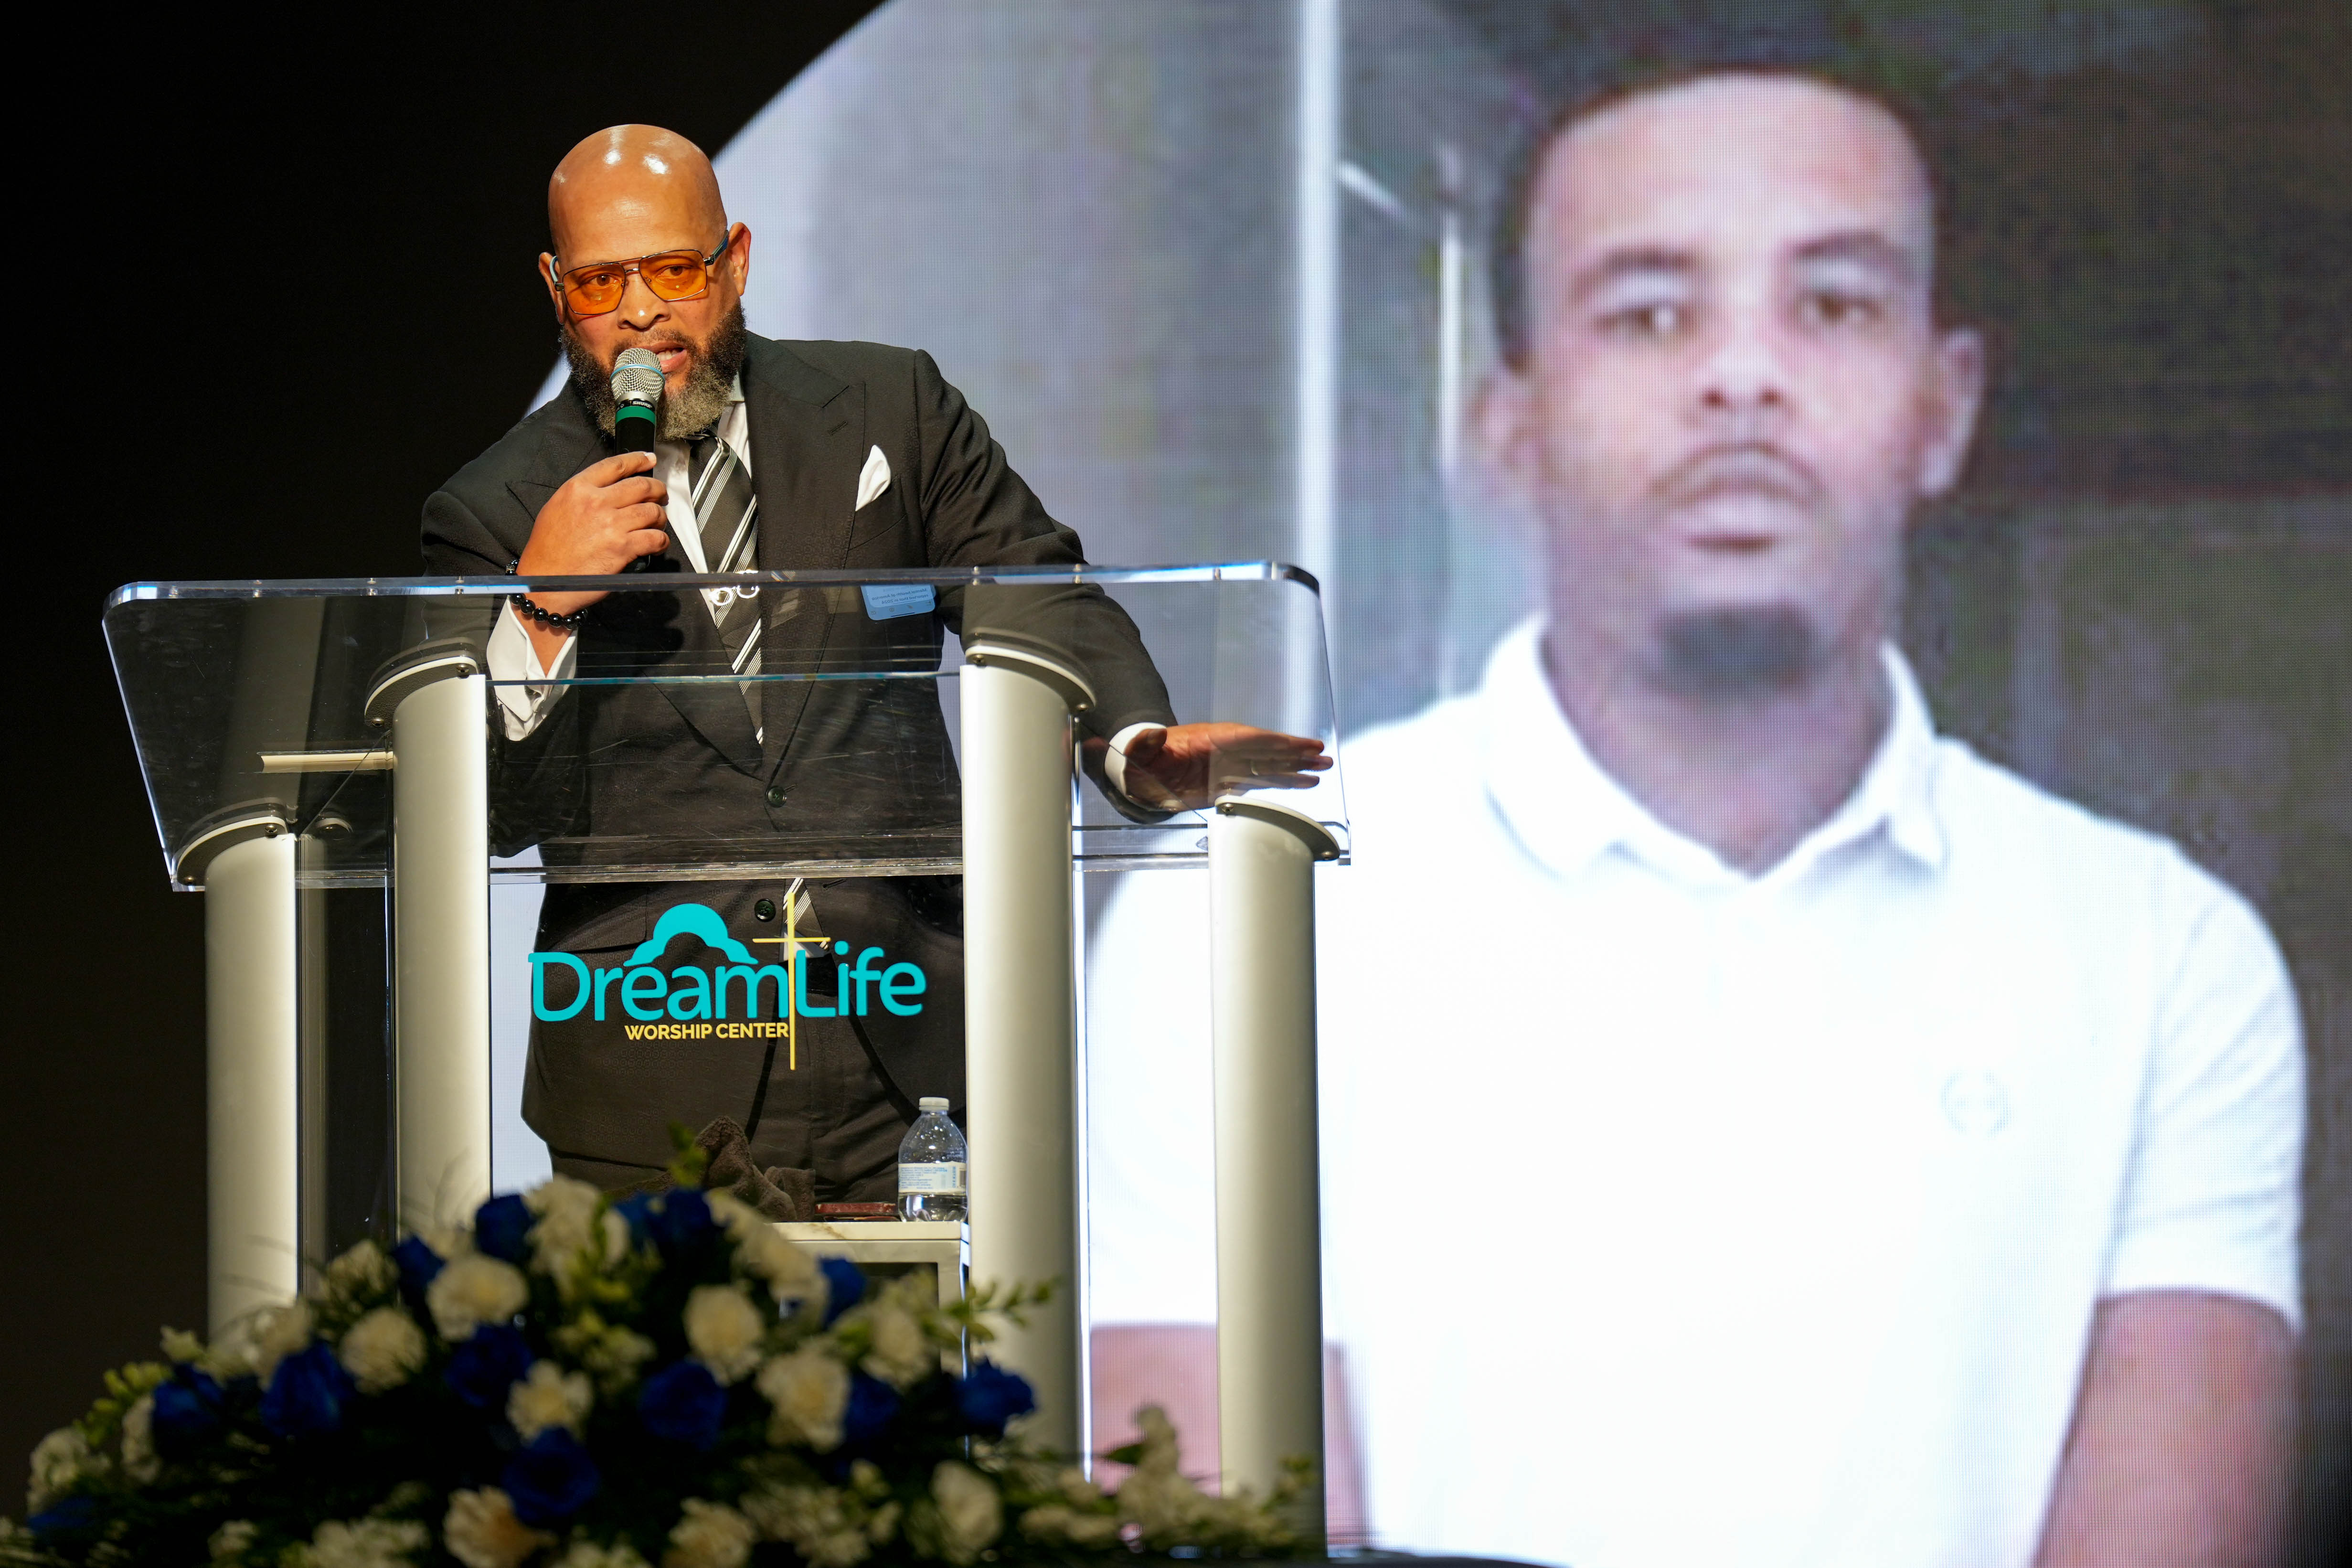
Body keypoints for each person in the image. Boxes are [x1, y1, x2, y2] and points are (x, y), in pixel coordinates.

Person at [1084, 67, 2302, 1568]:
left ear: (1945, 404)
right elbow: (1221, 1536)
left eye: (1834, 305)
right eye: (1649, 311)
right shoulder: (1239, 903)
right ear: (1505, 425)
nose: (1741, 376)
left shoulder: (2167, 964)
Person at [423, 125, 1325, 1214]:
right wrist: (540, 607)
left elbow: (1033, 586)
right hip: (647, 1071)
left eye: (675, 269)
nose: (643, 312)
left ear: (736, 261)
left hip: (899, 1052)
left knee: (906, 1382)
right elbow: (480, 811)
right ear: (556, 289)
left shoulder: (893, 409)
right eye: (603, 280)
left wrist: (1134, 746)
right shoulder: (493, 507)